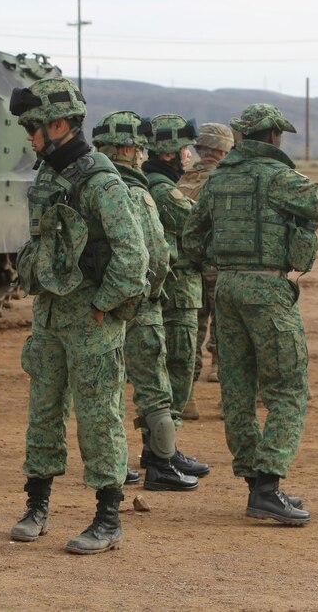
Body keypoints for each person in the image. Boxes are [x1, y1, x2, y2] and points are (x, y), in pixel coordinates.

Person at [183, 103, 318, 526]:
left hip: (229, 288)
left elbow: (192, 238)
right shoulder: (278, 178)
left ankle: (257, 485)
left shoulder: (220, 179)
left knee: (237, 390)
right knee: (289, 388)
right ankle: (269, 487)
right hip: (268, 291)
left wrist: (223, 262)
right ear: (273, 136)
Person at [7, 77, 148, 555]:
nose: (30, 136)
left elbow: (134, 257)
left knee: (98, 417)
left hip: (91, 320)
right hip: (48, 314)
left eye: (35, 127)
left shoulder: (102, 181)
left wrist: (101, 306)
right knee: (43, 412)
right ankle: (36, 506)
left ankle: (108, 517)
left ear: (61, 125)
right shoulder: (48, 176)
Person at [91, 110, 197, 492]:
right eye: (139, 148)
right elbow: (155, 255)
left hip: (97, 307)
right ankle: (162, 465)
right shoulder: (137, 193)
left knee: (110, 387)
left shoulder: (87, 186)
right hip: (139, 306)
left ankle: (116, 465)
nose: (142, 155)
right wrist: (150, 296)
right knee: (154, 386)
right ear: (127, 148)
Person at [141, 114, 209, 478]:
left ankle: (159, 449)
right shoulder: (163, 191)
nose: (189, 155)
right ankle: (161, 455)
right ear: (169, 152)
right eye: (184, 148)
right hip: (176, 293)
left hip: (168, 290)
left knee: (162, 372)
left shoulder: (152, 182)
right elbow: (197, 229)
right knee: (176, 370)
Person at [177, 122, 235, 394]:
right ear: (224, 151)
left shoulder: (182, 179)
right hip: (223, 264)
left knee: (192, 330)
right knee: (226, 327)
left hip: (191, 266)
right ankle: (220, 374)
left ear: (200, 150)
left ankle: (187, 395)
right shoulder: (229, 181)